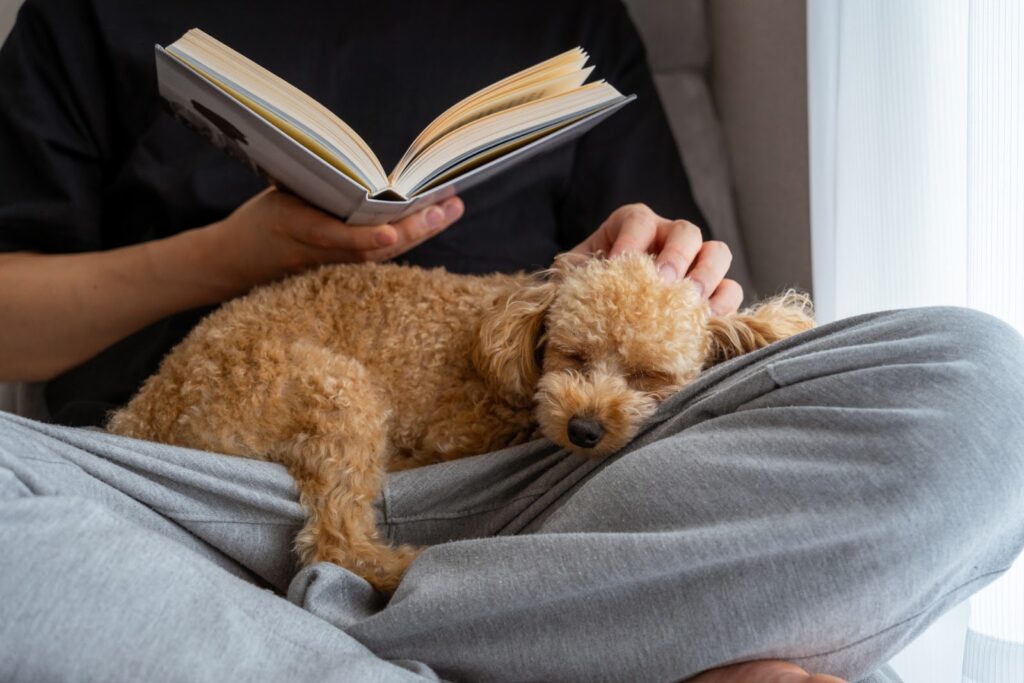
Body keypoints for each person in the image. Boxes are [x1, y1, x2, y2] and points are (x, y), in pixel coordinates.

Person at [0, 1, 1021, 682]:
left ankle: (362, 637)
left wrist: (667, 259)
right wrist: (233, 255)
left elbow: (680, 328)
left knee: (983, 388)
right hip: (182, 494)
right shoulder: (96, 11)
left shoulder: (561, 16)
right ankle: (568, 650)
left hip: (543, 489)